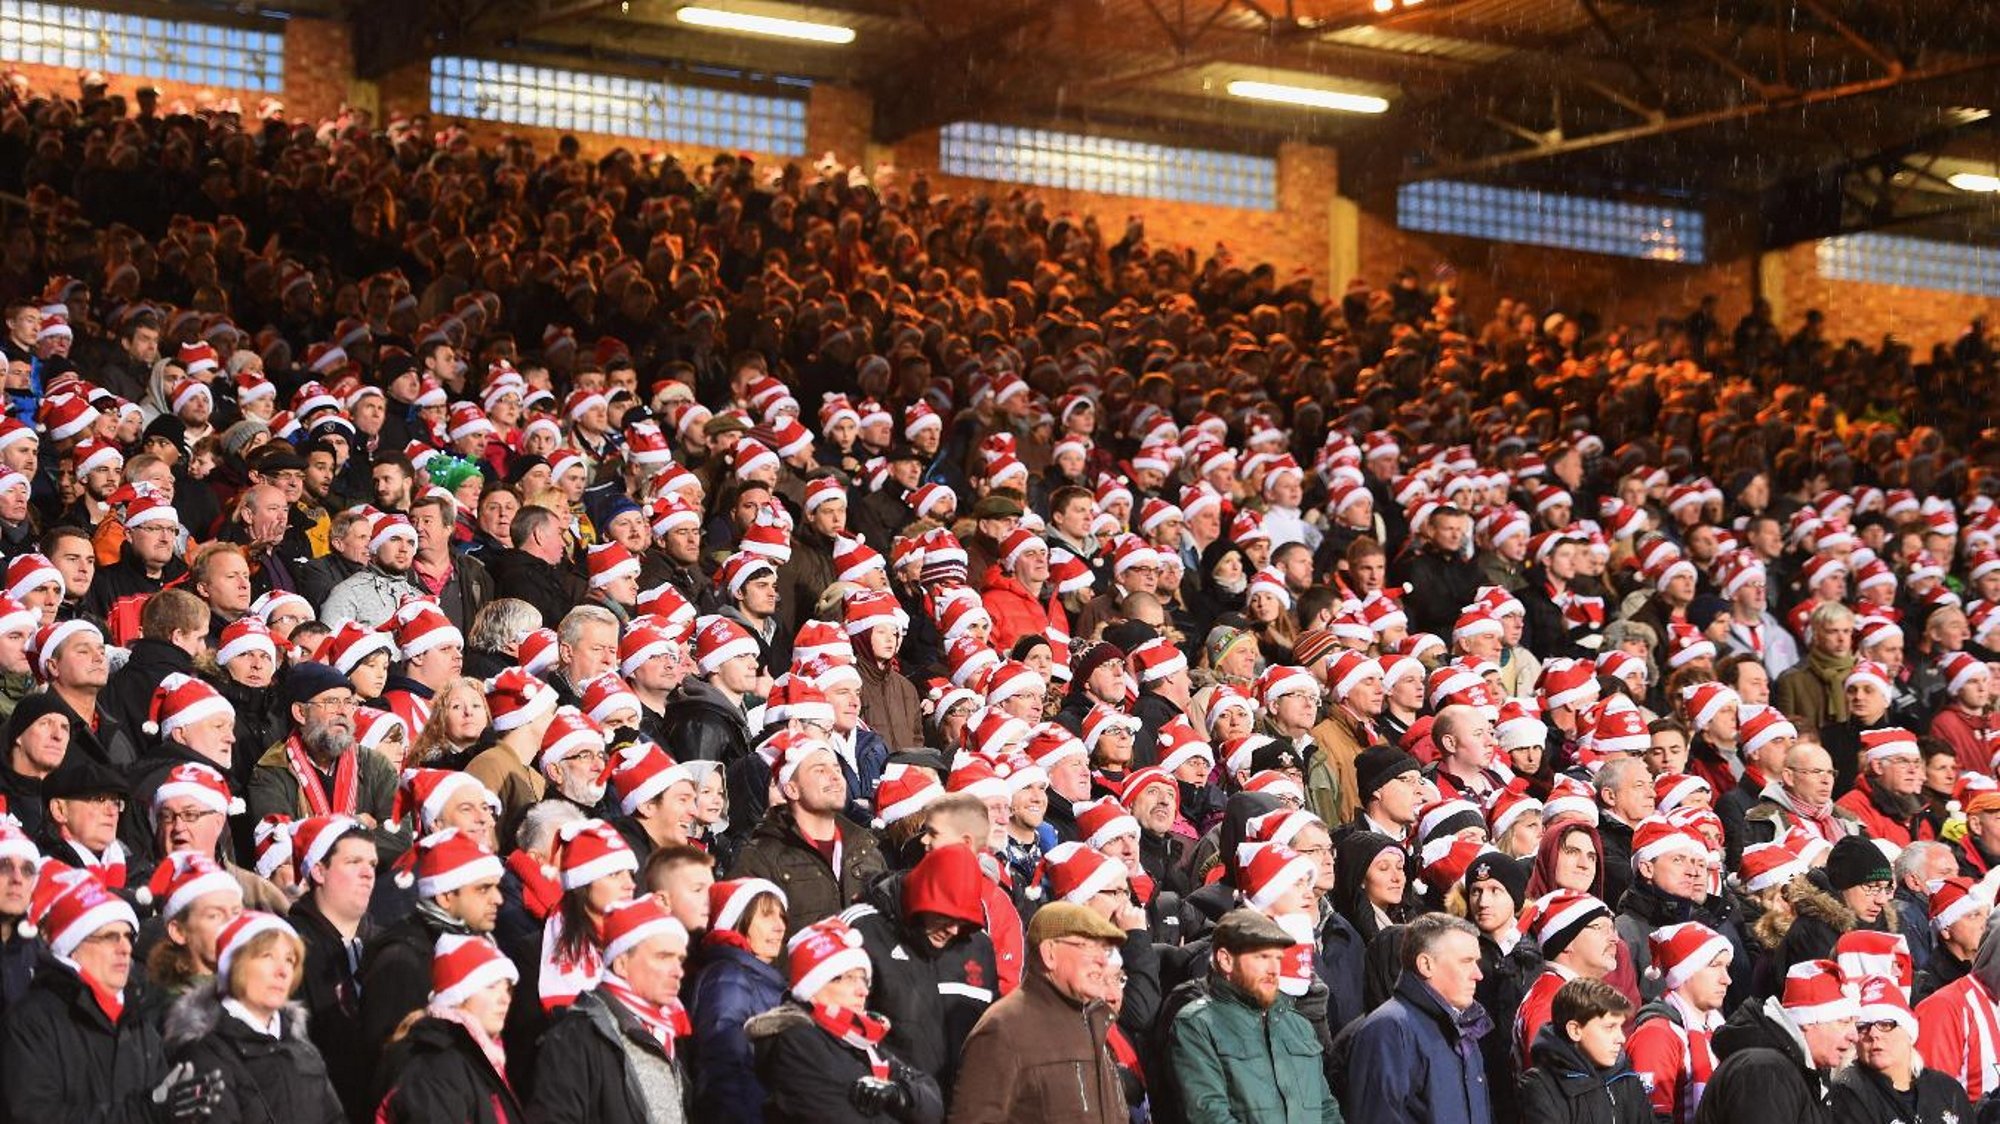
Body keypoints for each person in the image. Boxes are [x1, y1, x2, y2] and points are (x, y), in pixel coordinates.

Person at [2, 862, 224, 1122]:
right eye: (109, 937)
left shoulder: (137, 1023)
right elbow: (33, 1116)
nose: (124, 948)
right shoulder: (29, 1022)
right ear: (73, 946)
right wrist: (146, 1112)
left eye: (128, 936)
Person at [745, 914, 945, 1124]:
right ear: (812, 988)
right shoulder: (795, 1041)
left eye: (864, 979)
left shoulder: (862, 1041)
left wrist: (899, 1095)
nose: (862, 991)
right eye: (848, 978)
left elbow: (932, 1104)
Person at [948, 901, 1128, 1122]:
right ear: (1049, 953)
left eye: (1104, 949)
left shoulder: (1094, 1022)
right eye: (1088, 946)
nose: (1102, 960)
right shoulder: (1004, 1029)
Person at [162, 911, 347, 1124]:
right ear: (234, 965)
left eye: (290, 960)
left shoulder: (302, 1048)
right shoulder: (204, 1054)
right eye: (267, 956)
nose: (283, 971)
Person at [1168, 907, 1342, 1124]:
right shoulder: (1196, 1025)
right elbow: (1209, 1115)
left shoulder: (1299, 1025)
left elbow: (1327, 1110)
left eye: (1278, 958)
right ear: (1226, 960)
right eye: (1262, 957)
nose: (1273, 969)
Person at [529, 896, 693, 1123]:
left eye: (680, 959)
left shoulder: (667, 1036)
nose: (677, 971)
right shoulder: (575, 1037)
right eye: (663, 957)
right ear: (622, 964)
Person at [359, 827, 505, 1058]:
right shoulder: (402, 962)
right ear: (445, 897)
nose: (498, 899)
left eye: (496, 887)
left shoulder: (480, 947)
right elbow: (392, 1061)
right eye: (483, 889)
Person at [1343, 912, 1493, 1124]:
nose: (1478, 974)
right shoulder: (1389, 1028)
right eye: (1466, 961)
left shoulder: (1465, 1026)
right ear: (1426, 965)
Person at [734, 732, 885, 935]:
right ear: (791, 789)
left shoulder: (866, 848)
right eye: (819, 770)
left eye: (837, 769)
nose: (835, 777)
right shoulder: (761, 858)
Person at [376, 934, 526, 1124]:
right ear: (457, 997)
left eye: (508, 989)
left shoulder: (480, 1057)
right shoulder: (435, 1065)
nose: (505, 999)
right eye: (491, 986)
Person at [1697, 959, 1859, 1124]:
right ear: (1808, 1021)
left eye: (1855, 1023)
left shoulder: (1801, 1072)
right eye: (1844, 1021)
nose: (1855, 1036)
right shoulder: (1765, 1072)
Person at [686, 878, 790, 1121]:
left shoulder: (757, 977)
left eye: (782, 917)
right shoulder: (727, 976)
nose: (780, 926)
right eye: (766, 916)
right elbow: (723, 1066)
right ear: (737, 921)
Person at [1627, 922, 1733, 1124]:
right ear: (1685, 972)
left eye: (1726, 967)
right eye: (1714, 965)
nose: (1726, 979)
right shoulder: (1657, 1035)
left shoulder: (1717, 1028)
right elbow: (1647, 1118)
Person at [1828, 975, 1972, 1124]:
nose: (1873, 1034)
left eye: (1885, 1024)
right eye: (1863, 1027)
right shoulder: (1847, 1094)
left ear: (1908, 1033)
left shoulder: (1946, 1089)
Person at [1517, 978, 1651, 1124]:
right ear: (1575, 1030)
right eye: (1609, 1027)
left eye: (1620, 1027)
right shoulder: (1540, 1087)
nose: (1621, 1038)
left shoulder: (1626, 1078)